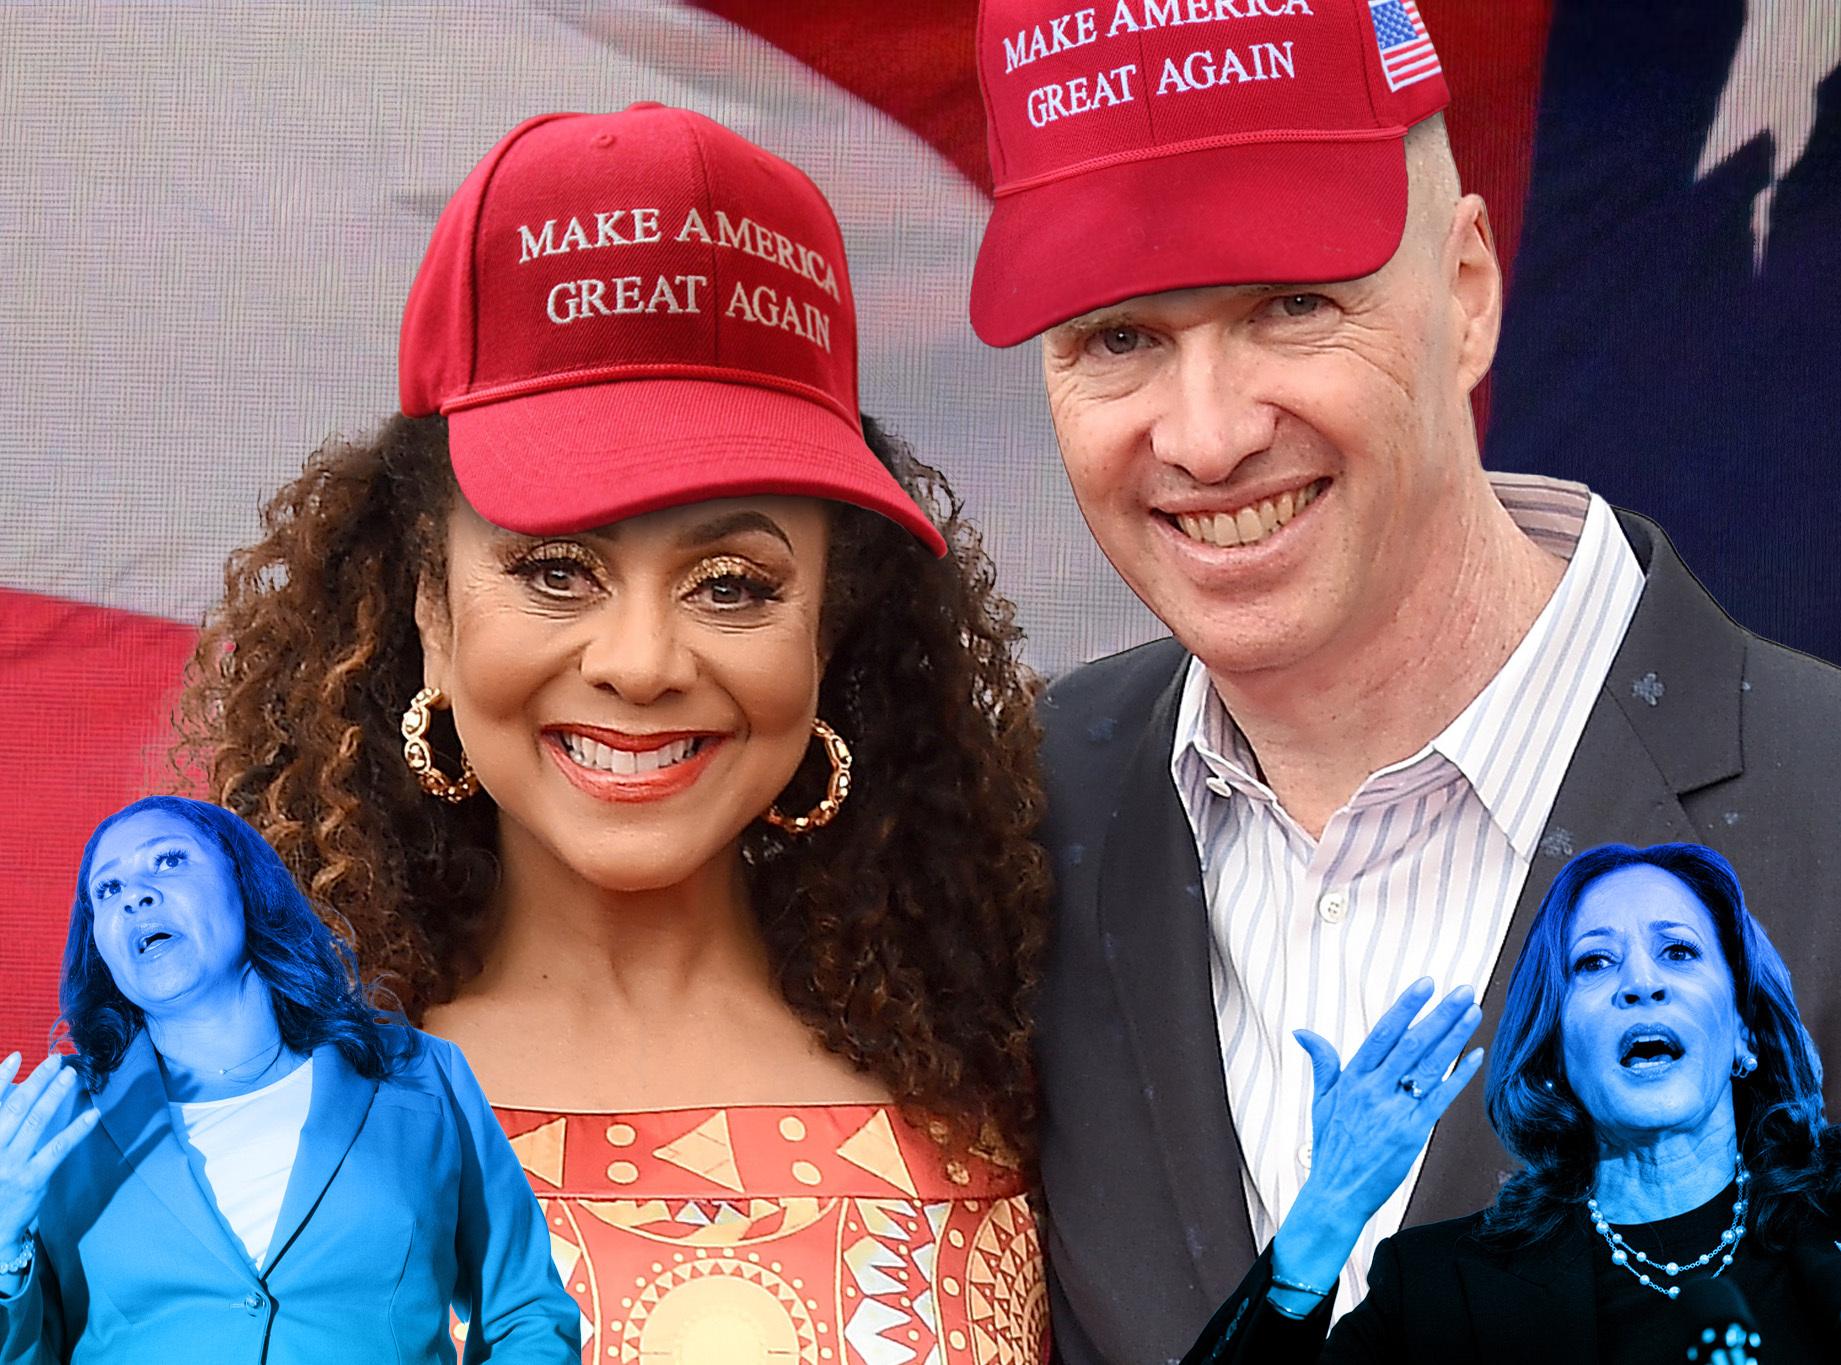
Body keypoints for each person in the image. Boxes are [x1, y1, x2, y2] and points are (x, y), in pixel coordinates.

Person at [963, 0, 1841, 1360]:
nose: (1208, 433)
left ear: (1468, 294)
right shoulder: (1006, 818)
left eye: (1293, 304)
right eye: (1119, 335)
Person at [182, 104, 1052, 1361]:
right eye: (554, 571)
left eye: (733, 585)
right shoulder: (240, 1142)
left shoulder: (1018, 1083)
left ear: (831, 623)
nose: (640, 663)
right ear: (424, 602)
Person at [1178, 842, 1841, 1362]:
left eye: (1678, 953)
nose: (1641, 984)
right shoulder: (1442, 1292)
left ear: (1743, 1031)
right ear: (1556, 1054)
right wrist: (1324, 1219)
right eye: (1594, 964)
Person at [0, 795, 578, 1364]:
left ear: (246, 884)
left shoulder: (419, 1075)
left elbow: (526, 1314)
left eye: (169, 860)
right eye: (107, 890)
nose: (135, 897)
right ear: (98, 944)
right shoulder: (54, 1127)